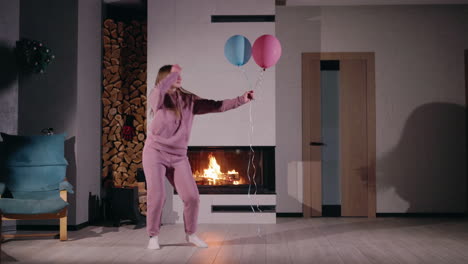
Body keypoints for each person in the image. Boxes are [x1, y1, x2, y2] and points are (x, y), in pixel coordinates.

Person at [143, 64, 254, 249]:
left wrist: (242, 99)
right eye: (172, 75)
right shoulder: (159, 98)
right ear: (165, 77)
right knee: (157, 195)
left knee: (192, 197)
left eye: (179, 75)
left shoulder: (189, 100)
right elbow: (159, 89)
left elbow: (217, 106)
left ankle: (191, 234)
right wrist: (172, 75)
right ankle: (153, 236)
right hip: (155, 153)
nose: (178, 77)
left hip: (178, 156)